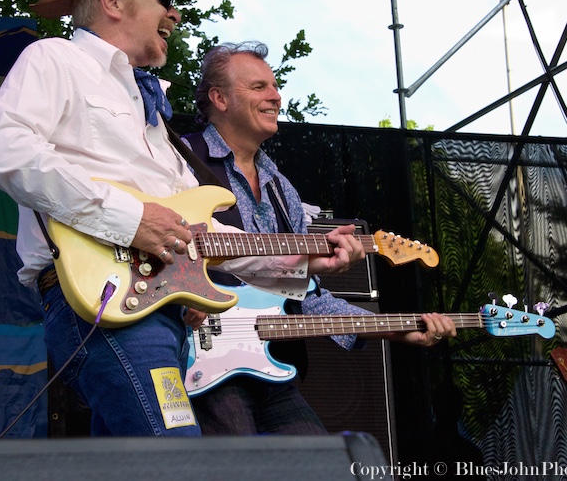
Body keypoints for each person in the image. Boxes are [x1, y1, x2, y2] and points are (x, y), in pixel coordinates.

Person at [0, 0, 364, 437]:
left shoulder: (154, 113)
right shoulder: (56, 58)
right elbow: (5, 150)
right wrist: (132, 219)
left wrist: (298, 258)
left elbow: (191, 230)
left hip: (162, 308)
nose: (175, 14)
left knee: (137, 464)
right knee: (181, 459)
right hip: (105, 302)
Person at [180, 41, 457, 435]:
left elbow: (307, 295)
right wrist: (184, 298)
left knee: (318, 464)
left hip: (269, 365)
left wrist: (399, 329)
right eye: (259, 87)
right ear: (219, 98)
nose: (275, 96)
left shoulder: (281, 189)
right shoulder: (179, 160)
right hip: (194, 359)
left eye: (275, 86)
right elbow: (153, 242)